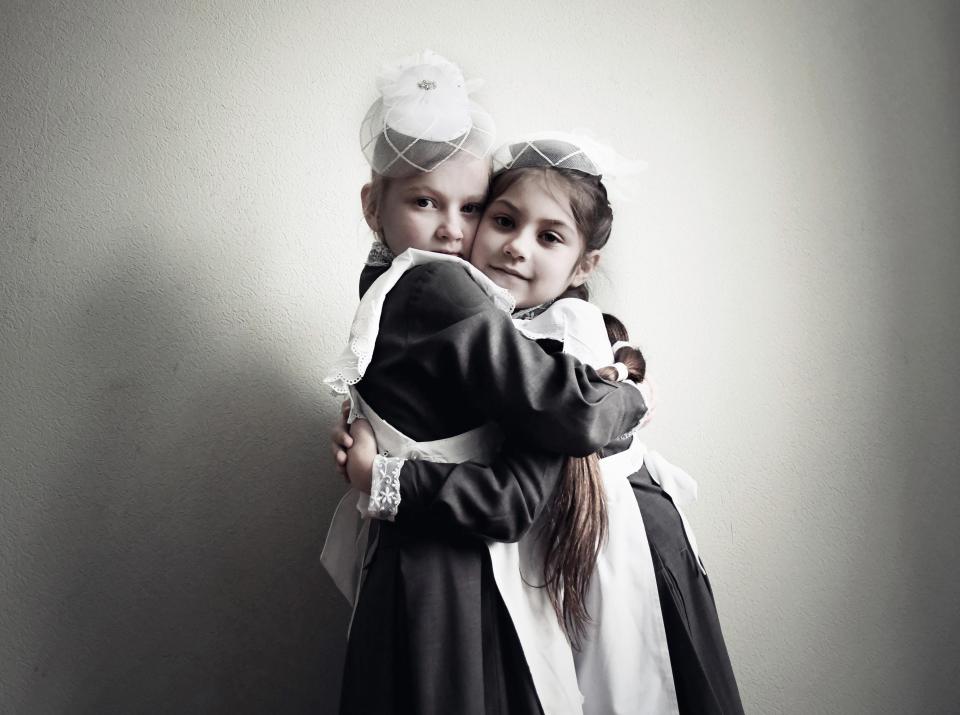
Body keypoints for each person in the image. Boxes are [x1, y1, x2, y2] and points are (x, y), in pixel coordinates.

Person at [337, 136, 745, 714]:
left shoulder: (565, 341)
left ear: (584, 265)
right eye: (502, 219)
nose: (515, 247)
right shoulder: (483, 320)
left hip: (609, 544)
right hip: (549, 547)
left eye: (549, 237)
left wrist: (384, 476)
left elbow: (520, 485)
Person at [321, 52, 648, 715]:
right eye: (424, 201)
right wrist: (629, 391)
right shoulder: (437, 283)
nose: (450, 227)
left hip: (425, 551)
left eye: (471, 207)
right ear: (372, 205)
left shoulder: (394, 281)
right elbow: (572, 414)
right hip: (443, 568)